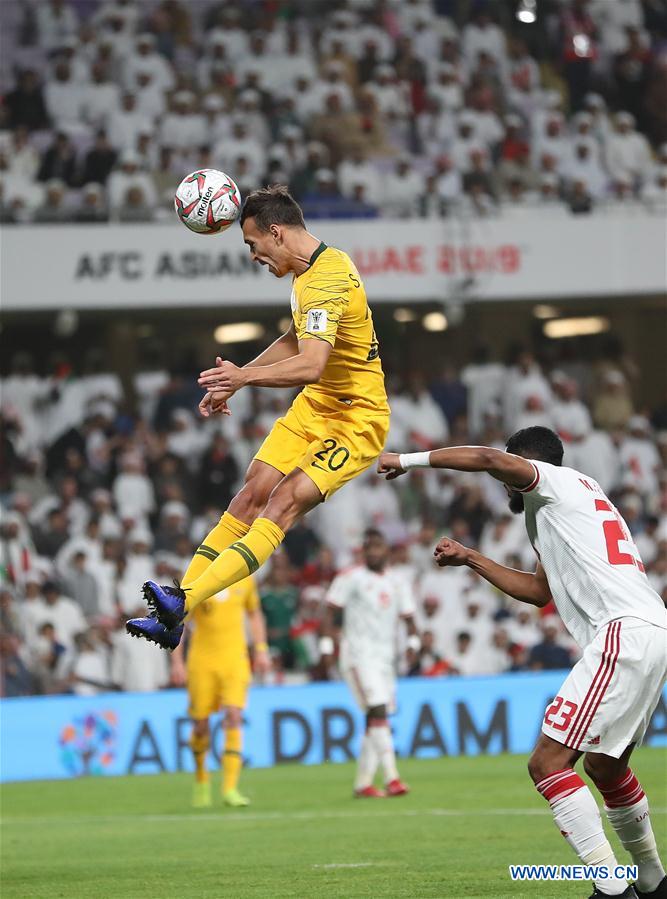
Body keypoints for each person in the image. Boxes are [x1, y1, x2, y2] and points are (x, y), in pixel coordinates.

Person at [378, 426, 666, 899]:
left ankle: (613, 890)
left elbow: (487, 458)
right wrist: (472, 558)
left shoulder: (554, 481)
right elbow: (537, 593)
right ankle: (653, 882)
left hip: (624, 632)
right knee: (605, 767)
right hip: (651, 628)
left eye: (508, 473)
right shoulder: (558, 508)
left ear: (524, 465)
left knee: (547, 763)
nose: (502, 484)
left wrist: (407, 460)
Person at [127, 186, 389, 649]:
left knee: (282, 502)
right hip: (316, 405)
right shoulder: (310, 272)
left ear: (276, 231)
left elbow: (311, 364)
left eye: (252, 244)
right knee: (250, 493)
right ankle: (173, 613)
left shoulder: (326, 280)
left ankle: (182, 602)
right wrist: (238, 377)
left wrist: (245, 380)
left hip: (356, 420)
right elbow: (296, 339)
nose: (253, 256)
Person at [321, 529, 418, 798]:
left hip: (386, 659)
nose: (374, 552)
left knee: (375, 717)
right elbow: (329, 612)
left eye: (378, 547)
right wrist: (327, 647)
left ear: (387, 551)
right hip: (357, 655)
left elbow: (410, 619)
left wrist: (413, 646)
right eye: (369, 548)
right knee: (378, 709)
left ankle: (363, 784)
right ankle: (392, 778)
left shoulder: (399, 582)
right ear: (363, 552)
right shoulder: (350, 578)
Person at [169, 577, 270, 809]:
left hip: (235, 659)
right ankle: (202, 778)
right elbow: (178, 622)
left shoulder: (245, 578)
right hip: (202, 662)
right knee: (200, 725)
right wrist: (176, 661)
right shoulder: (198, 579)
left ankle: (230, 788)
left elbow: (254, 613)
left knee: (234, 715)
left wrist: (261, 649)